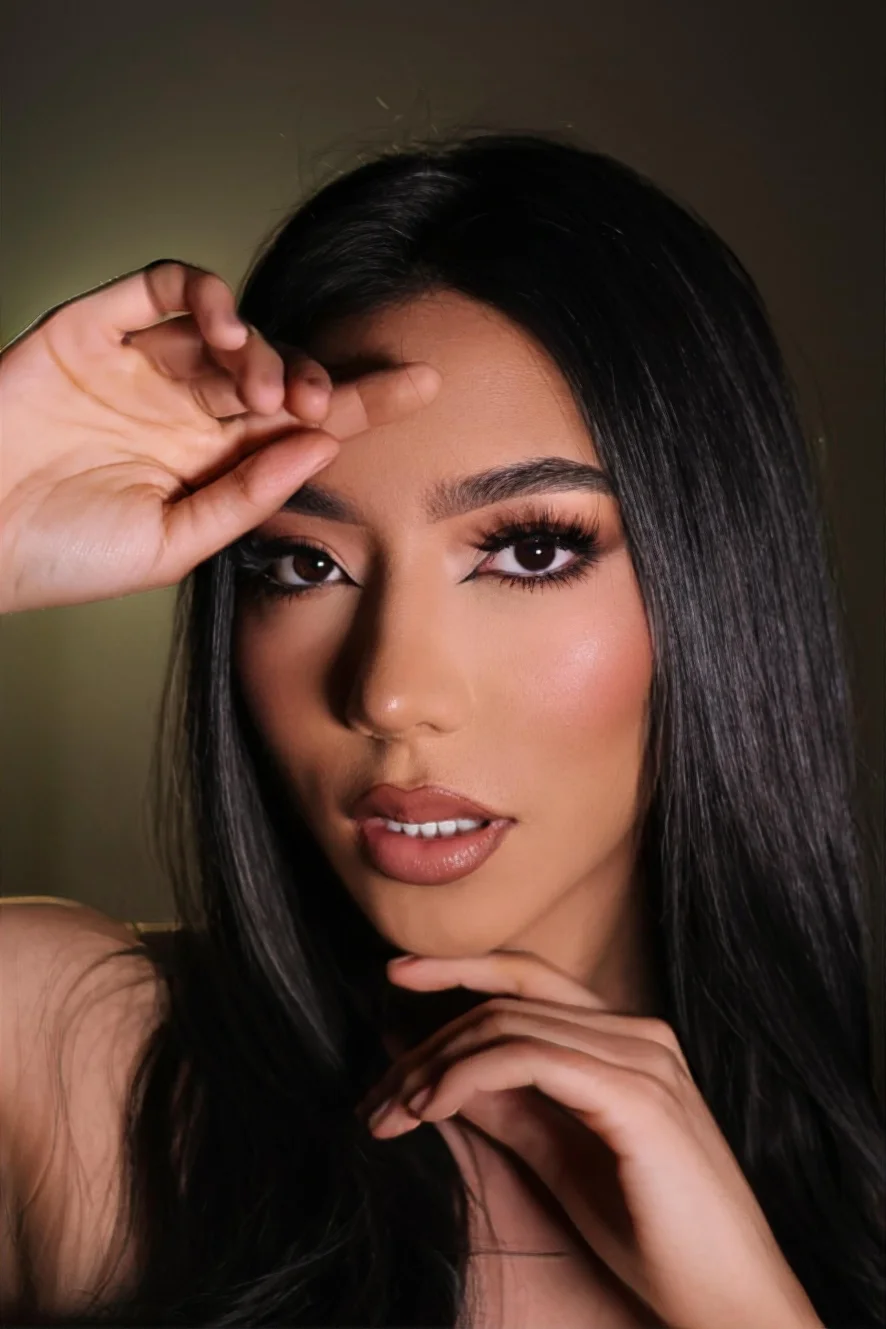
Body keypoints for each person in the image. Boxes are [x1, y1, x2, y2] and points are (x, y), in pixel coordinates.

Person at [0, 131, 882, 1329]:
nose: (392, 693)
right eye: (303, 563)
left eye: (530, 551)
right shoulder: (70, 1057)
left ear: (718, 584)